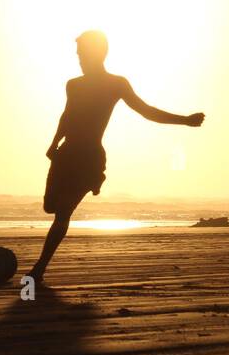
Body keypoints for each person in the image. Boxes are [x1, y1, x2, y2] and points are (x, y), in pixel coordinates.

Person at [28, 30, 204, 282]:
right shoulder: (73, 85)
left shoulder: (116, 84)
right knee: (50, 206)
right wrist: (54, 143)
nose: (78, 58)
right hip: (66, 154)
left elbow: (146, 111)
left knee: (63, 212)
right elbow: (67, 116)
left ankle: (39, 269)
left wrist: (184, 120)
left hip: (89, 155)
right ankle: (95, 180)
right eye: (77, 54)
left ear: (96, 53)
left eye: (81, 54)